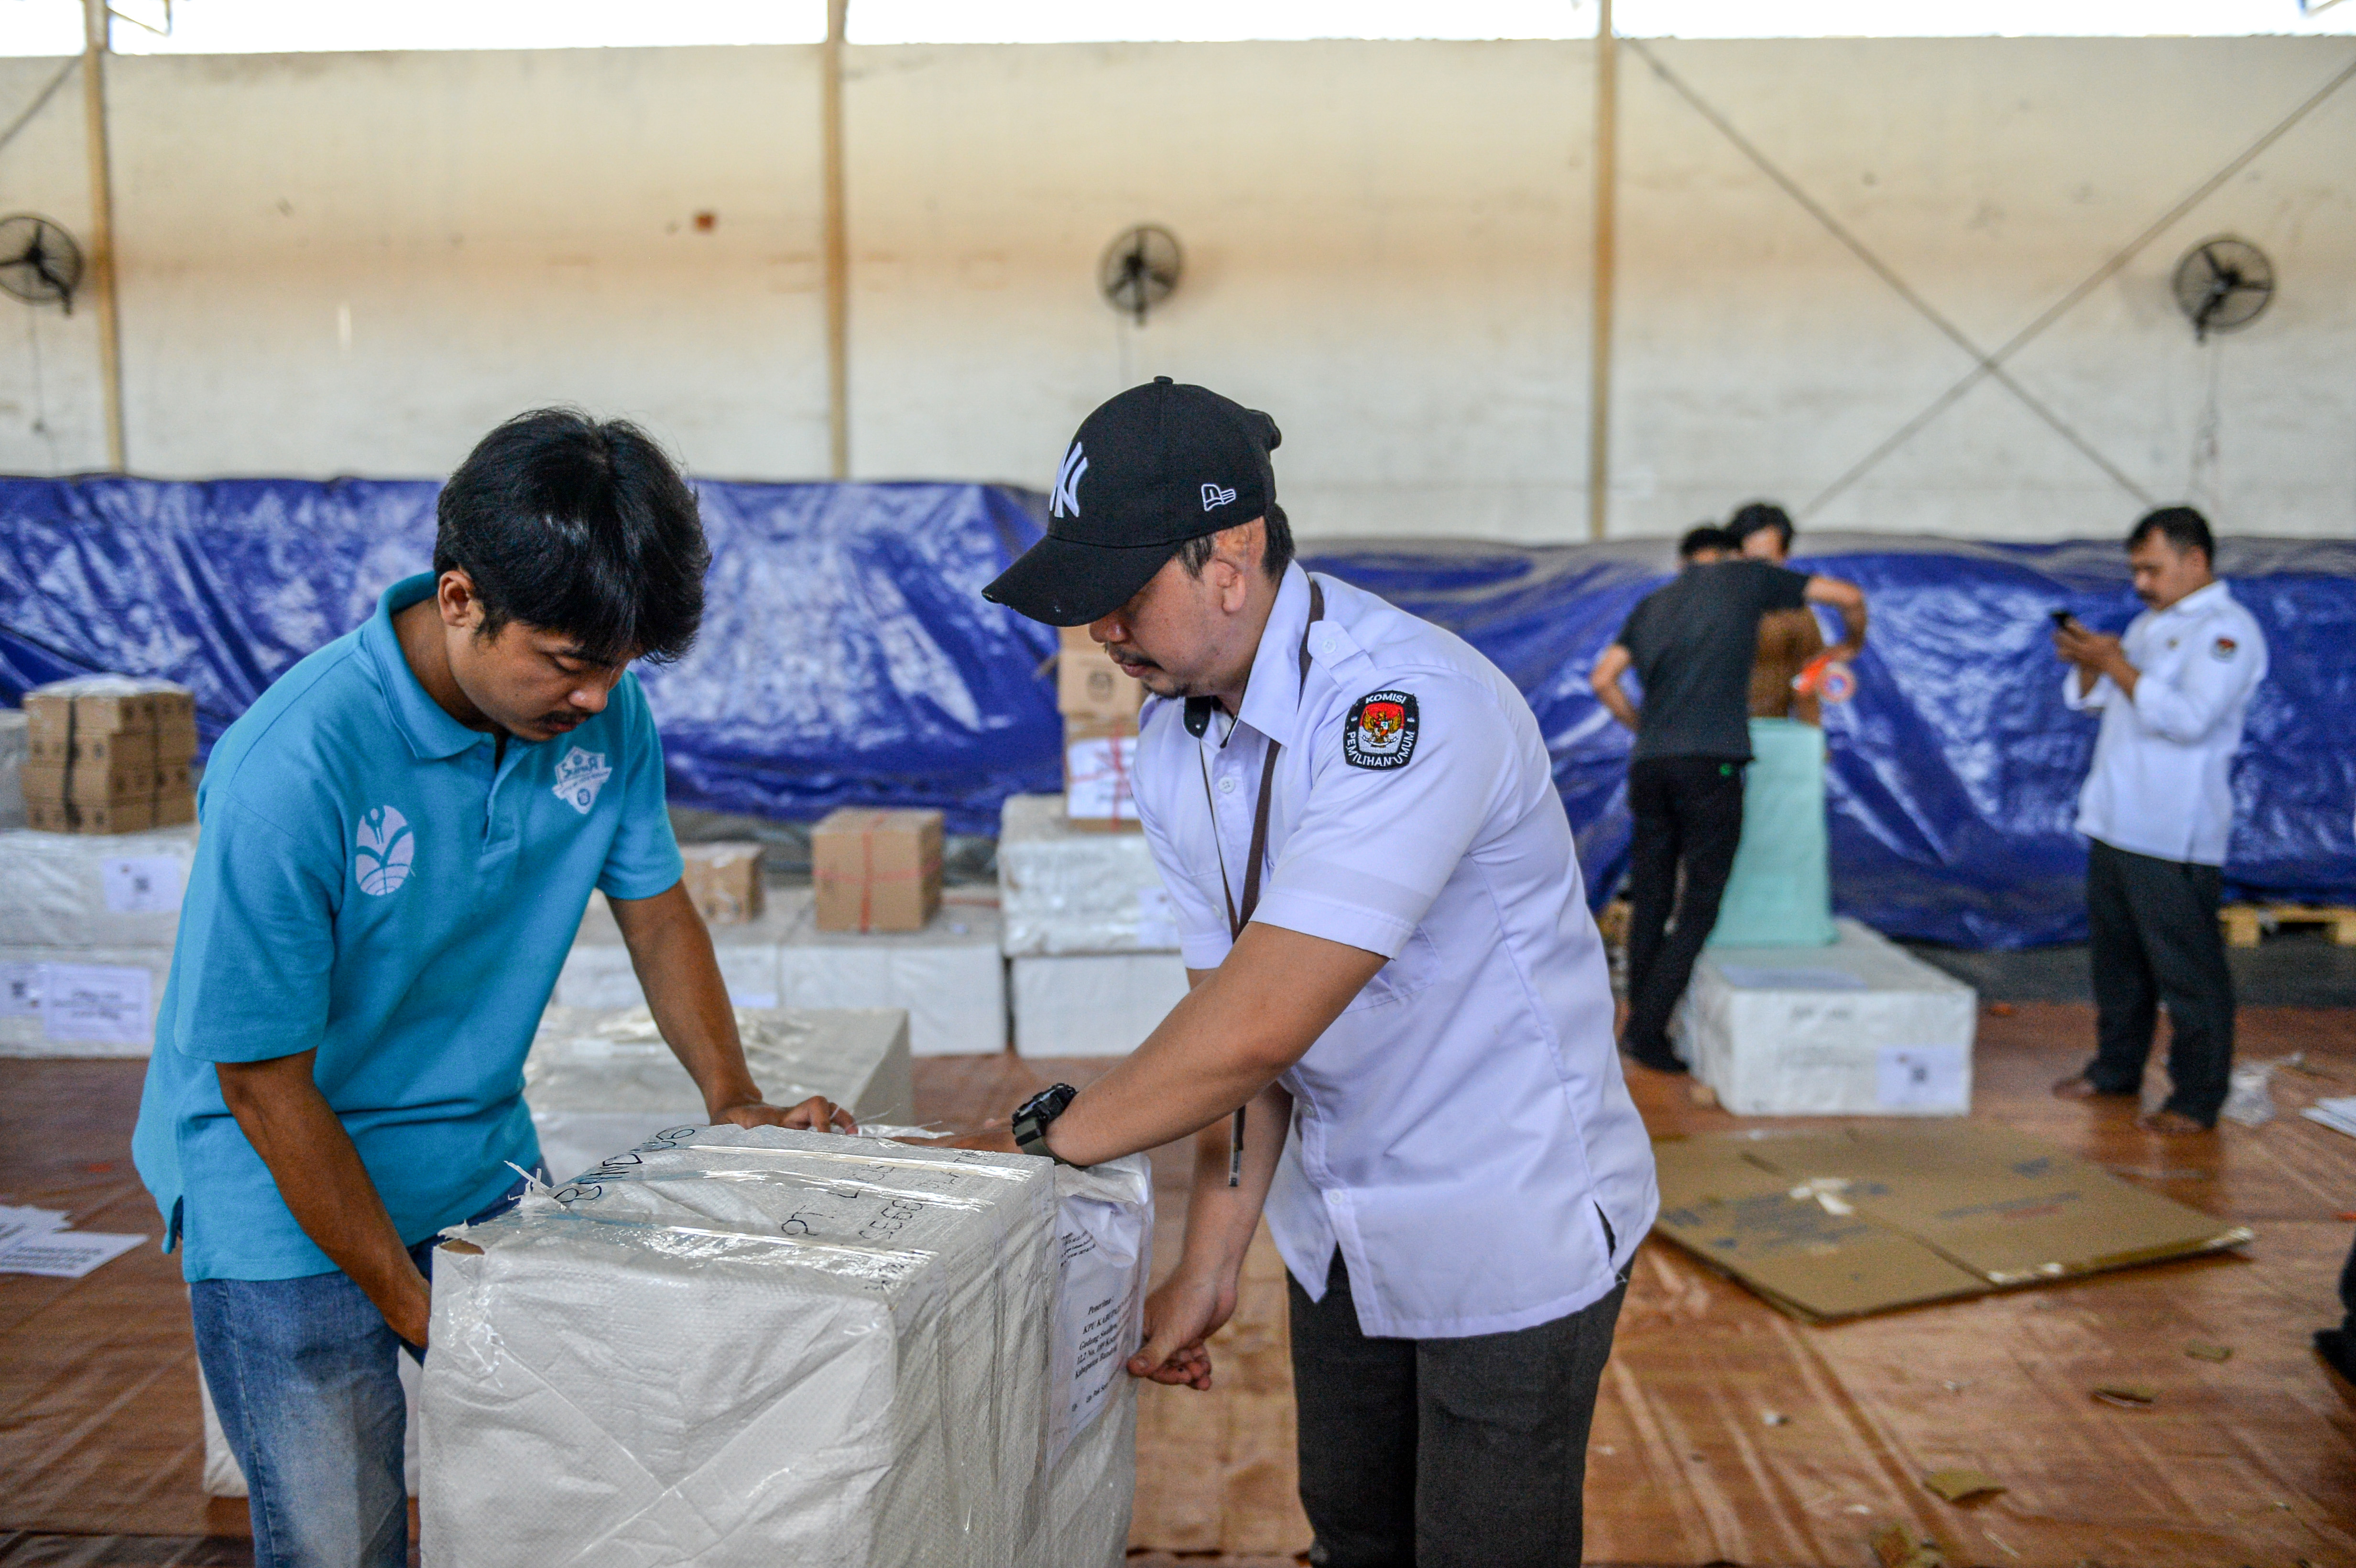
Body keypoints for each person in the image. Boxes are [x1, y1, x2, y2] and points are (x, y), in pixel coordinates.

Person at [131, 410, 851, 1568]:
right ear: (461, 597)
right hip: (279, 1183)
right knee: (336, 1537)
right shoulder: (294, 765)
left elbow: (658, 909)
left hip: (476, 1158)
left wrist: (735, 1096)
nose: (597, 694)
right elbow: (262, 1083)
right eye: (569, 662)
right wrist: (422, 1316)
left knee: (553, 1503)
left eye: (620, 666)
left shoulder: (605, 719)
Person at [973, 377, 1655, 1567]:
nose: (1101, 635)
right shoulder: (1176, 739)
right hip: (1343, 1225)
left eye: (1123, 595)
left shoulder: (1405, 708)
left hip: (1505, 1211)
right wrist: (1210, 1259)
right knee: (1353, 1526)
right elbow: (1224, 1022)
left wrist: (1028, 1152)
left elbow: (1261, 1024)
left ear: (1229, 556)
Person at [1589, 525, 1866, 1072]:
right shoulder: (1744, 581)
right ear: (1731, 556)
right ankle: (1646, 1030)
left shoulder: (1653, 603)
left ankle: (1636, 1024)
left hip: (1649, 764)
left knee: (1652, 898)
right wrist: (1849, 645)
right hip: (1710, 763)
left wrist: (1644, 727)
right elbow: (1848, 597)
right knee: (1699, 904)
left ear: (1684, 561)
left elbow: (1603, 679)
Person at [2051, 505, 2266, 1134]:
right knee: (2118, 966)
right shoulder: (2152, 625)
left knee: (2187, 972)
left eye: (2154, 568)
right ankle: (2116, 1069)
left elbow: (2189, 717)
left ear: (2195, 560)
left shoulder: (2227, 632)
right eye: (2136, 571)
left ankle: (2197, 1097)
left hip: (2175, 831)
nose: (2142, 583)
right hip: (2118, 819)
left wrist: (2116, 664)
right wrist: (2095, 664)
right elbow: (2103, 701)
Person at [1729, 501, 1829, 724]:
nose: (1759, 573)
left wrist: (1813, 744)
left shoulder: (1797, 615)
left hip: (1771, 736)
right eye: (1750, 562)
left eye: (1767, 563)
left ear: (1784, 557)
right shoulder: (1705, 608)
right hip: (1711, 742)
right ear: (1734, 556)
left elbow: (1807, 686)